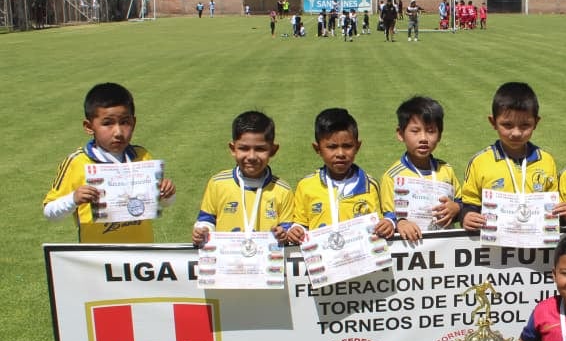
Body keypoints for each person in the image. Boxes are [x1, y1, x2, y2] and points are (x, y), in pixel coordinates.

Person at [43, 82, 176, 243]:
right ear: (89, 126)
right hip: (98, 259)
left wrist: (167, 194)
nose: (118, 132)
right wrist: (73, 199)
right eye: (107, 123)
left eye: (125, 122)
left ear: (133, 123)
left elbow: (162, 203)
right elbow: (49, 212)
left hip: (141, 254)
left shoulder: (142, 156)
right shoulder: (77, 162)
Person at [458, 82, 566, 230]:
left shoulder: (546, 161)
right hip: (495, 248)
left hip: (536, 247)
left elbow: (554, 208)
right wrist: (466, 216)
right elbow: (470, 204)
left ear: (536, 122)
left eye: (525, 125)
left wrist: (564, 213)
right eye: (507, 125)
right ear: (493, 122)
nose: (516, 133)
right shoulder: (480, 162)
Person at [285, 108, 395, 244]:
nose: (341, 153)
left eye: (347, 146)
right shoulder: (306, 185)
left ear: (357, 146)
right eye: (332, 147)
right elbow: (300, 223)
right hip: (322, 261)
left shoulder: (370, 185)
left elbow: (379, 224)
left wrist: (386, 224)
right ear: (317, 149)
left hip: (360, 261)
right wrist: (296, 230)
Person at [191, 111, 294, 248]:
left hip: (265, 265)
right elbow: (206, 219)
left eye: (260, 149)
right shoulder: (218, 183)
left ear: (273, 150)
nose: (251, 156)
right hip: (227, 263)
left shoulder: (283, 190)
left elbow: (287, 229)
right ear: (233, 149)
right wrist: (203, 230)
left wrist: (283, 234)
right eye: (244, 148)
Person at [379, 96, 461, 242]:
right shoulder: (392, 177)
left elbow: (461, 203)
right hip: (412, 252)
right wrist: (400, 222)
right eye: (415, 131)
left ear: (440, 135)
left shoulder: (446, 170)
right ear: (400, 134)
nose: (423, 138)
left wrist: (456, 208)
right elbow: (388, 217)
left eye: (430, 131)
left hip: (445, 248)